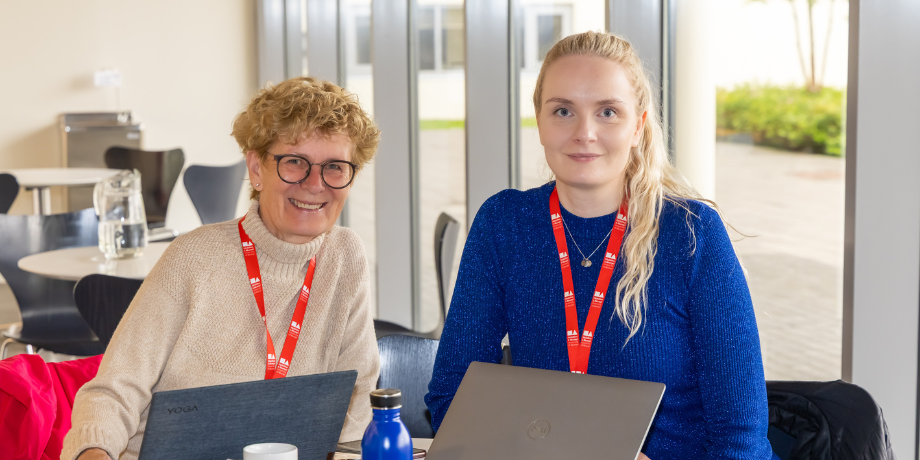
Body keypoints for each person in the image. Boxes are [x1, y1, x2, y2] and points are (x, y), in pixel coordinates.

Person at [425, 32, 778, 460]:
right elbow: (452, 394)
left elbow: (741, 439)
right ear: (539, 122)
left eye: (608, 112)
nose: (585, 133)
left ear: (638, 127)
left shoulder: (691, 233)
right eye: (563, 111)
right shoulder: (505, 223)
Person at [63, 76, 381, 460]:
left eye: (335, 167)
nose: (315, 184)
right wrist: (94, 452)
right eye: (295, 162)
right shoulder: (193, 257)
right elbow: (112, 392)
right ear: (257, 168)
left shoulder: (345, 256)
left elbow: (358, 404)